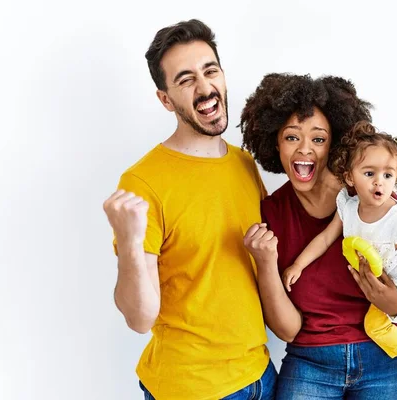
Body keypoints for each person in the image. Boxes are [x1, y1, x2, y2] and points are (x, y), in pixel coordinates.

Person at [102, 20, 276, 400]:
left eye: (210, 71)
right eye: (185, 80)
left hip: (261, 373)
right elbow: (139, 318)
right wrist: (130, 242)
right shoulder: (142, 183)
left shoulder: (244, 163)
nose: (205, 87)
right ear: (166, 99)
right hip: (193, 388)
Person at [240, 73, 397, 399]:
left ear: (335, 145)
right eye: (292, 137)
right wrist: (266, 262)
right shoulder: (270, 214)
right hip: (311, 360)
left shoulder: (372, 200)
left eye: (318, 139)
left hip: (386, 352)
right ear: (275, 142)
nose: (305, 149)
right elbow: (288, 329)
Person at [282, 120, 397, 382]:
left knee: (375, 325)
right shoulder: (349, 207)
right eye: (369, 174)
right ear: (350, 177)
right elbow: (326, 237)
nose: (379, 183)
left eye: (388, 175)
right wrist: (298, 265)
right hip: (378, 280)